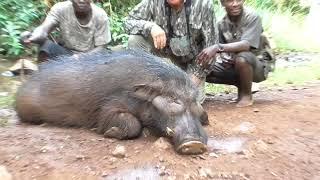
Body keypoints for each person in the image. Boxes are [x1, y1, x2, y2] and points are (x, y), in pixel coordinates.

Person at [124, 0, 217, 102]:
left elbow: (212, 47)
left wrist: (194, 79)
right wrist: (151, 27)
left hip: (193, 63)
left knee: (188, 101)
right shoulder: (153, 2)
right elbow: (127, 22)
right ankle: (143, 86)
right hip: (166, 58)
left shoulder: (203, 4)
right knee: (136, 39)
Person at [196, 0, 274, 107]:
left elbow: (246, 45)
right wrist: (224, 57)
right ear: (222, 3)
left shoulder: (252, 17)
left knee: (242, 57)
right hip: (235, 64)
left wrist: (218, 48)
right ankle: (241, 84)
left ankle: (246, 96)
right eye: (229, 1)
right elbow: (219, 51)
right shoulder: (221, 24)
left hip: (258, 66)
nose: (235, 4)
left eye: (238, 0)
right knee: (204, 66)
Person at [21, 0, 111, 62]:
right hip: (67, 56)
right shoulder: (61, 9)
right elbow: (44, 28)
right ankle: (43, 79)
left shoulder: (100, 15)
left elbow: (101, 48)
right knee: (46, 46)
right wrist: (33, 36)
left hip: (90, 59)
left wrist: (81, 57)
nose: (81, 0)